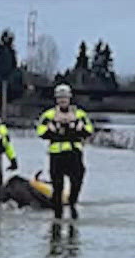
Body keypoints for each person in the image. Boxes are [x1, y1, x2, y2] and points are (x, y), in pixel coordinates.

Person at [35, 83, 94, 218]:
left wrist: (81, 129)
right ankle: (57, 215)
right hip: (57, 154)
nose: (63, 100)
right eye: (60, 98)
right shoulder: (49, 115)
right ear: (56, 99)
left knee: (77, 181)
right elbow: (40, 131)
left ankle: (72, 205)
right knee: (57, 186)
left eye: (65, 98)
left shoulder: (79, 114)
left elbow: (90, 130)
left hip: (74, 153)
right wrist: (50, 129)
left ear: (69, 98)